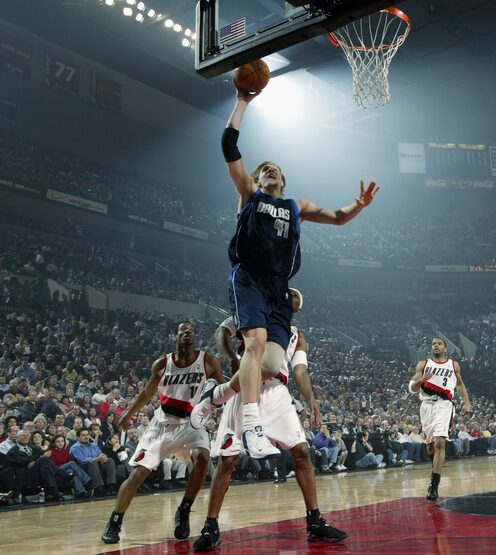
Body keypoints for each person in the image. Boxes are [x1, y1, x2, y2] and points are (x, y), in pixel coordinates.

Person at [218, 86, 378, 459]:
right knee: (255, 345)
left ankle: (218, 395)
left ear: (283, 180)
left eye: (276, 169)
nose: (270, 170)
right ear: (257, 180)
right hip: (249, 277)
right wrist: (243, 101)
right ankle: (254, 429)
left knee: (272, 363)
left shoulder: (295, 205)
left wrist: (358, 206)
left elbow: (337, 218)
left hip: (278, 288)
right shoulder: (248, 196)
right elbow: (229, 146)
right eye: (264, 170)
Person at [191, 288, 347, 551]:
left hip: (277, 392)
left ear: (296, 309)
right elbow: (221, 333)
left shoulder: (298, 336)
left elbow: (300, 370)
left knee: (301, 452)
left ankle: (315, 520)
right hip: (246, 388)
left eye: (294, 298)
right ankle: (210, 526)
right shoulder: (255, 315)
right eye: (286, 295)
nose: (288, 298)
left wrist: (311, 397)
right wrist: (231, 358)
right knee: (227, 460)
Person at [100, 321, 224, 544]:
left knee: (203, 458)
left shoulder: (207, 361)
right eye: (182, 331)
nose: (187, 333)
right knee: (137, 475)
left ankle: (184, 510)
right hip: (162, 425)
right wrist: (128, 415)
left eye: (191, 331)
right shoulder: (162, 364)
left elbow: (224, 390)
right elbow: (147, 394)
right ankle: (115, 521)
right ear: (174, 337)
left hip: (190, 425)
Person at [408, 337, 472, 501]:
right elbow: (412, 389)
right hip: (426, 406)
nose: (435, 345)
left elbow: (459, 384)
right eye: (433, 344)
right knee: (430, 446)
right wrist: (422, 380)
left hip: (444, 405)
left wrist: (466, 402)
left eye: (439, 343)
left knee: (439, 442)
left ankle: (434, 485)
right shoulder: (423, 364)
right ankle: (435, 468)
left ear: (445, 348)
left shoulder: (453, 365)